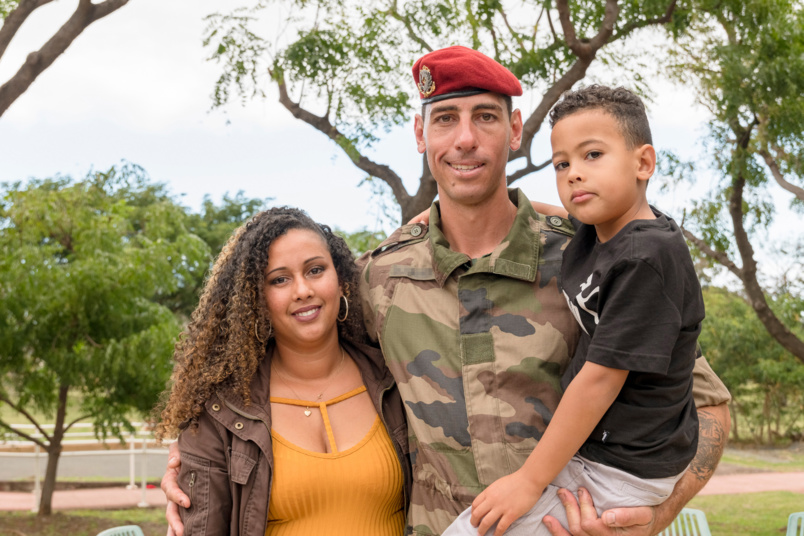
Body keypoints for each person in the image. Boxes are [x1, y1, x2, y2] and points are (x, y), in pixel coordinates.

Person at [162, 47, 731, 536]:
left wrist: (655, 514)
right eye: (445, 119)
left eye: (485, 117)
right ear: (420, 134)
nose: (465, 139)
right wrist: (197, 456)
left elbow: (706, 403)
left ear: (515, 130)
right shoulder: (378, 279)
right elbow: (272, 354)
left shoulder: (592, 262)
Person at [442, 84, 705, 536]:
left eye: (593, 155)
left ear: (643, 163)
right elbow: (551, 213)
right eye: (562, 164)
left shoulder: (646, 258)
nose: (574, 175)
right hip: (600, 449)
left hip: (623, 466)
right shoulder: (601, 230)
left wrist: (528, 481)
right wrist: (438, 215)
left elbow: (600, 381)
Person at [154, 207, 410, 536]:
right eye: (279, 279)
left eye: (315, 270)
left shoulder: (396, 379)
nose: (302, 290)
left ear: (341, 280)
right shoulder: (220, 412)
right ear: (255, 299)